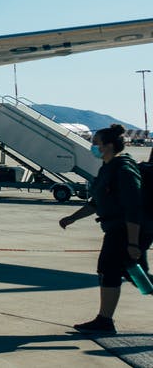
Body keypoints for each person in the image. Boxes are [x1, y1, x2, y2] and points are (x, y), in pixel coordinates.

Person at [59, 124, 151, 334]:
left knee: (110, 271)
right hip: (118, 229)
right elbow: (97, 202)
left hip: (126, 230)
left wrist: (133, 242)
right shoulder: (108, 168)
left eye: (95, 143)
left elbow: (133, 207)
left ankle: (104, 321)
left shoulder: (124, 170)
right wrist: (72, 218)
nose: (92, 147)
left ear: (108, 146)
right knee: (136, 277)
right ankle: (104, 320)